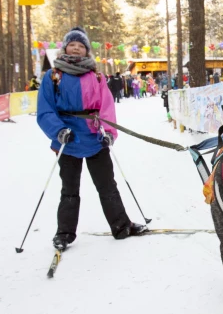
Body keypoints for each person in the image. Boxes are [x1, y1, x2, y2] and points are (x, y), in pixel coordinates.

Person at [37, 26, 146, 251]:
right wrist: (58, 130)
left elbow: (106, 107)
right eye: (72, 44)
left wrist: (108, 133)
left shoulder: (96, 76)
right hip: (67, 138)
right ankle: (64, 234)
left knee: (107, 185)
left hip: (94, 137)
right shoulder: (53, 75)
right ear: (65, 47)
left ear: (86, 51)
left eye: (80, 46)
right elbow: (45, 109)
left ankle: (121, 226)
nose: (76, 48)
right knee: (69, 189)